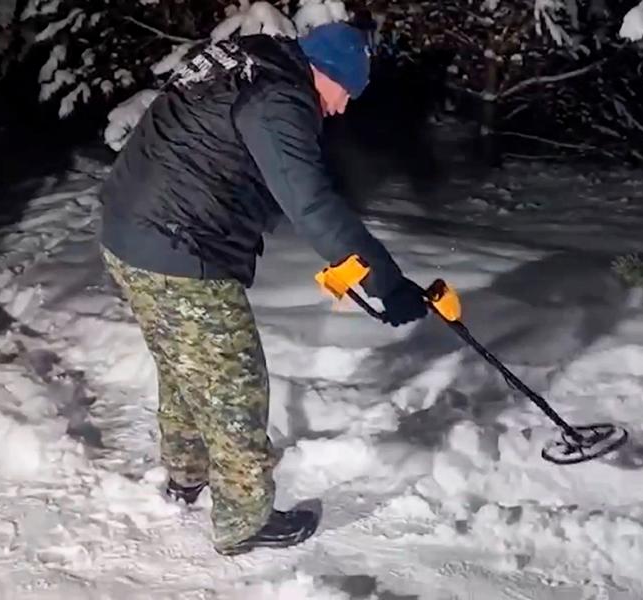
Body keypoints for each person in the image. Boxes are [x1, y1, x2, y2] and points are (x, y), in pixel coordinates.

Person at [98, 22, 428, 556]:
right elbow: (312, 204)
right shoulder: (279, 99)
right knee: (233, 383)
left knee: (186, 365)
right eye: (346, 94)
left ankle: (187, 473)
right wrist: (386, 283)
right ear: (329, 74)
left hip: (129, 233)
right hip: (177, 246)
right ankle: (244, 520)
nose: (342, 109)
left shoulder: (251, 61)